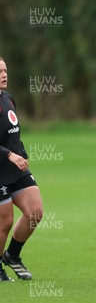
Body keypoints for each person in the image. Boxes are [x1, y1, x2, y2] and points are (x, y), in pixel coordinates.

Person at [0, 57, 44, 281]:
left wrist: (21, 153)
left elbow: (13, 133)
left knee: (35, 212)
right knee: (4, 222)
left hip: (15, 167)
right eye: (0, 71)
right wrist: (9, 154)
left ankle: (13, 256)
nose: (4, 74)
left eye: (5, 69)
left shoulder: (8, 98)